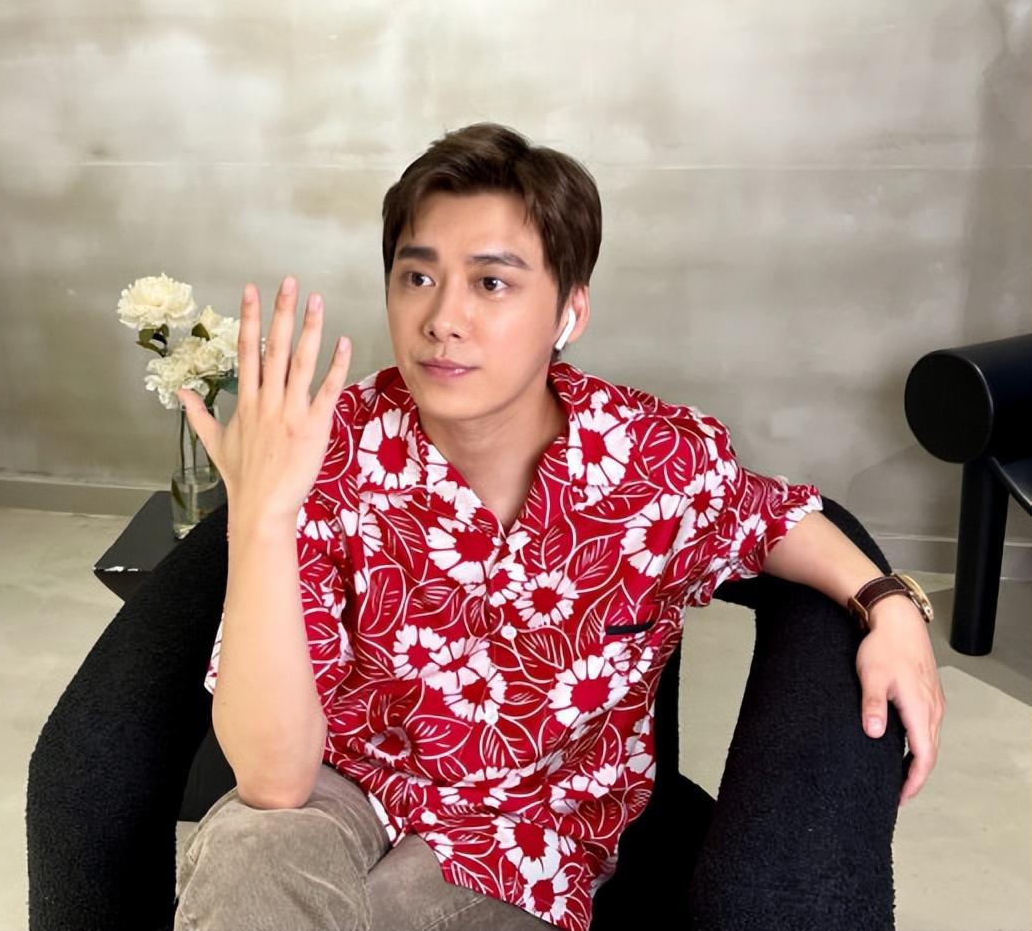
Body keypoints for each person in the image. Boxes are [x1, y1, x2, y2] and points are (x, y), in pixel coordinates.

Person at [173, 123, 945, 931]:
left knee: (391, 913)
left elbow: (771, 518)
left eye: (492, 283)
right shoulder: (330, 447)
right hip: (343, 785)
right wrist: (260, 519)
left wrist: (888, 602)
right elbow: (273, 783)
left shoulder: (652, 459)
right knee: (252, 855)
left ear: (569, 311)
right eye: (417, 276)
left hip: (525, 840)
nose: (442, 318)